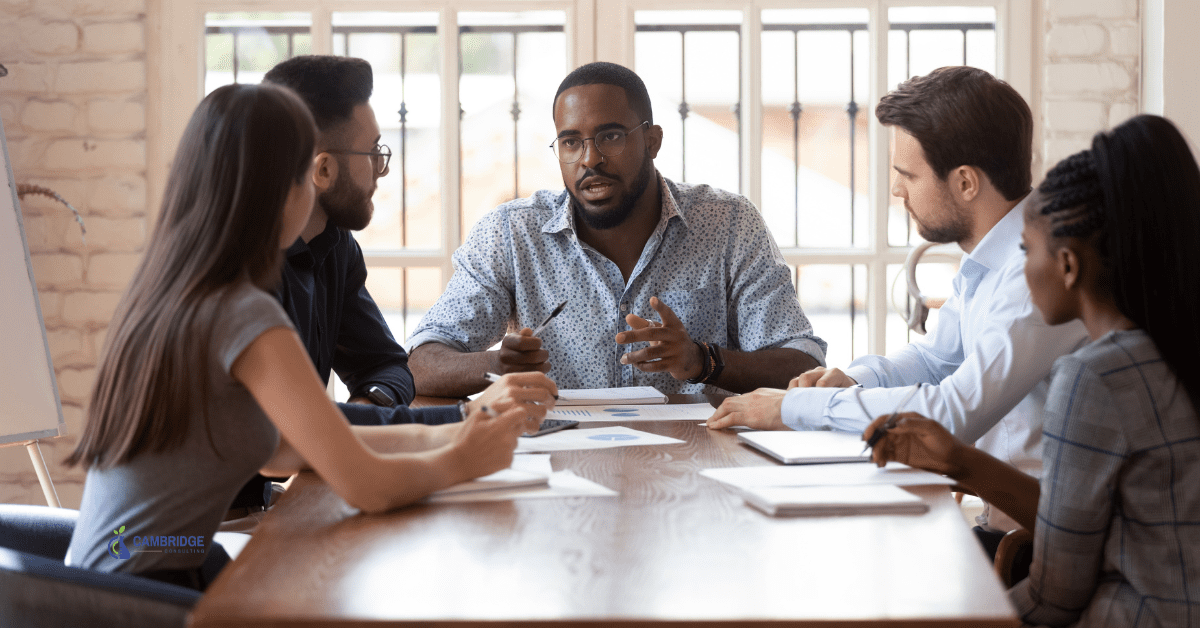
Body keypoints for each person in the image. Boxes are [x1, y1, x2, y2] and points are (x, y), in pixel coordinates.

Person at [63, 83, 557, 590]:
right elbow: (366, 487)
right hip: (142, 594)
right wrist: (460, 459)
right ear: (282, 187)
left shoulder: (171, 288)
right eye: (305, 175)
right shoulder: (244, 313)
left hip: (129, 561)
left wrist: (454, 430)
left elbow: (283, 451)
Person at [707, 66, 1089, 537]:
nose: (895, 190)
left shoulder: (1034, 272)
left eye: (907, 174)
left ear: (966, 182)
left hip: (1038, 546)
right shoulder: (989, 261)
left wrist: (789, 410)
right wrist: (851, 379)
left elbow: (954, 414)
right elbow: (936, 358)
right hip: (1005, 531)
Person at [863, 114, 1200, 627]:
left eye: (1025, 252)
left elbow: (1055, 597)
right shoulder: (1162, 349)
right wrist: (960, 461)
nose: (1019, 272)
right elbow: (1092, 528)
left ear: (1067, 265)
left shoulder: (1094, 377)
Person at [408, 61, 826, 397]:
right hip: (561, 463)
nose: (590, 159)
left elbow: (803, 364)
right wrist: (497, 366)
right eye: (571, 142)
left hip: (695, 462)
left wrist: (702, 360)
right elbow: (421, 363)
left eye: (609, 136)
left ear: (653, 141)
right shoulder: (513, 233)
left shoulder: (728, 223)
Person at [262, 56, 461, 427]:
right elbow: (291, 429)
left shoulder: (335, 245)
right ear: (323, 169)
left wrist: (367, 408)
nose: (381, 169)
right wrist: (472, 416)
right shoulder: (246, 271)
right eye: (372, 152)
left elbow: (386, 365)